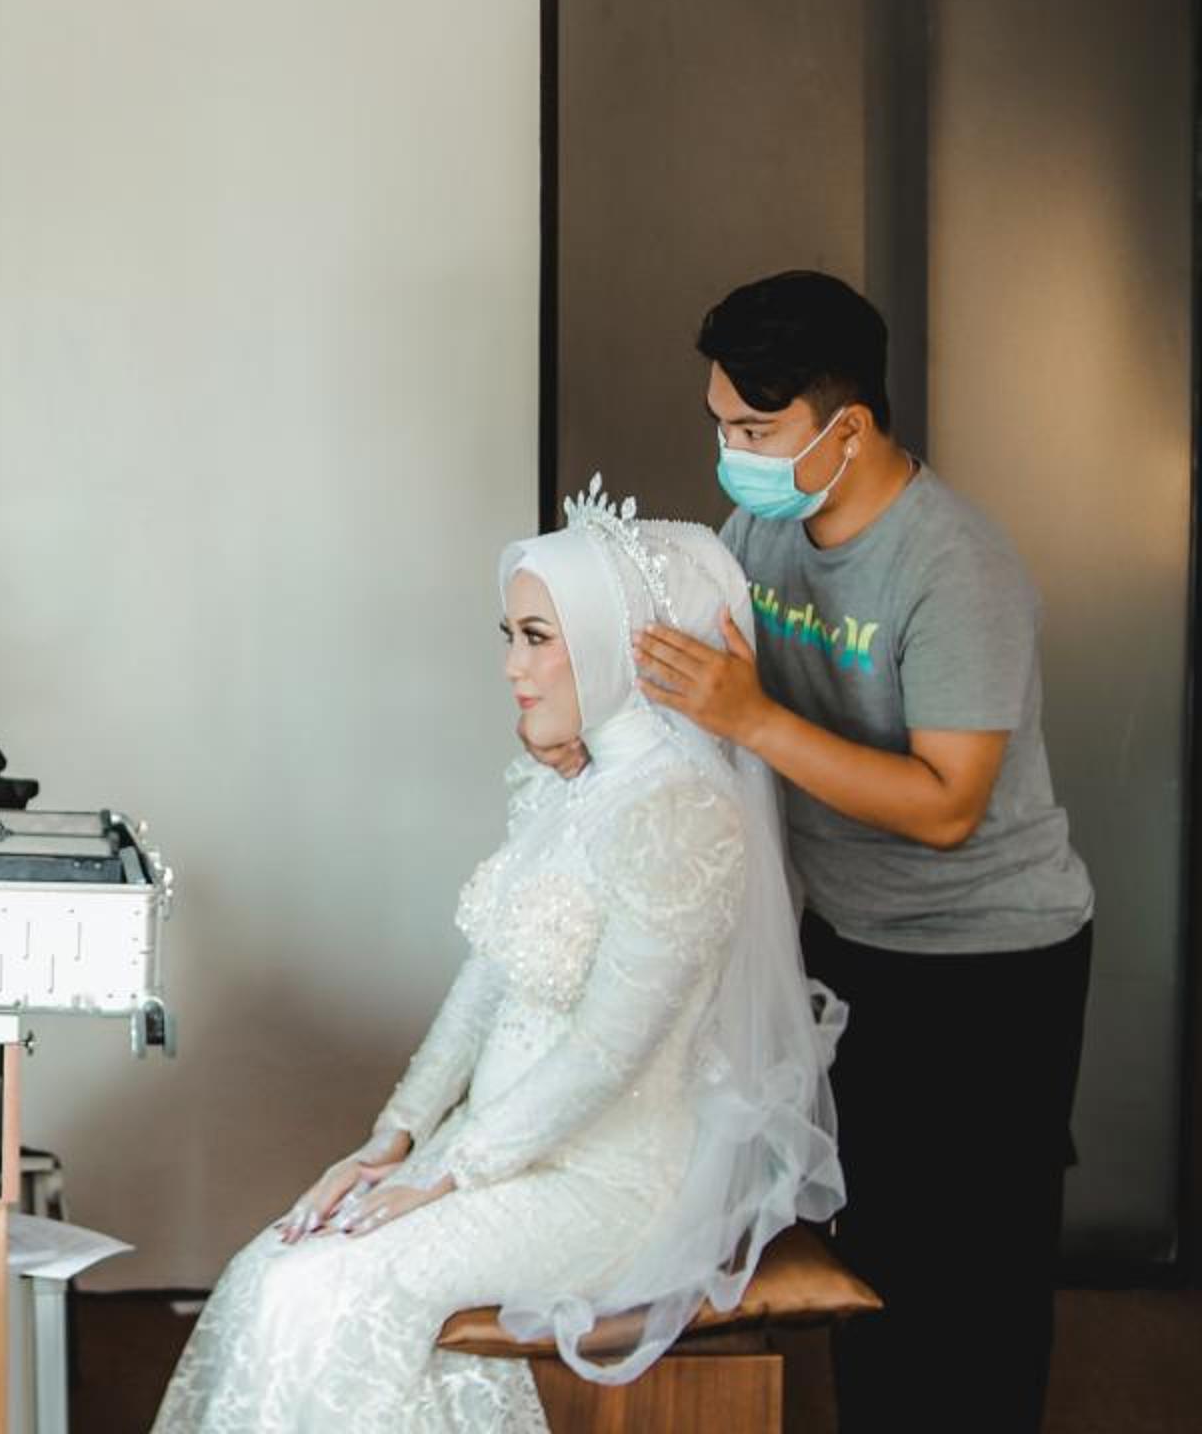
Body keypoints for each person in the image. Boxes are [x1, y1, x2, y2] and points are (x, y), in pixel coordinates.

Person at [153, 485, 843, 1434]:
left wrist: (446, 1174)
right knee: (275, 1264)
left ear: (618, 643)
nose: (513, 666)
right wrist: (393, 1137)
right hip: (500, 1153)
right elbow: (484, 988)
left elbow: (608, 1050)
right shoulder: (572, 786)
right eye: (509, 636)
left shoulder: (683, 813)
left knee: (339, 1289)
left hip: (603, 1184)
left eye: (537, 637)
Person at [622, 270, 1094, 1432]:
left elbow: (946, 805)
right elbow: (709, 685)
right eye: (722, 426)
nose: (733, 454)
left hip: (991, 960)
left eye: (757, 430)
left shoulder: (956, 567)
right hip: (848, 937)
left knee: (973, 1274)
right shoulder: (763, 528)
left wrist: (752, 717)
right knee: (868, 1245)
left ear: (849, 426)